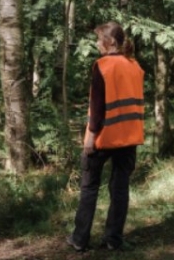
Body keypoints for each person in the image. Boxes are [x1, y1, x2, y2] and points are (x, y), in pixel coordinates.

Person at [67, 22, 145, 252]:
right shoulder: (134, 65)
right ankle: (113, 239)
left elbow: (97, 107)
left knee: (89, 187)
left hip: (104, 136)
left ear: (109, 42)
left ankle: (80, 239)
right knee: (120, 189)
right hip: (129, 137)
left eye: (98, 39)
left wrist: (90, 137)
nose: (96, 44)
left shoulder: (102, 66)